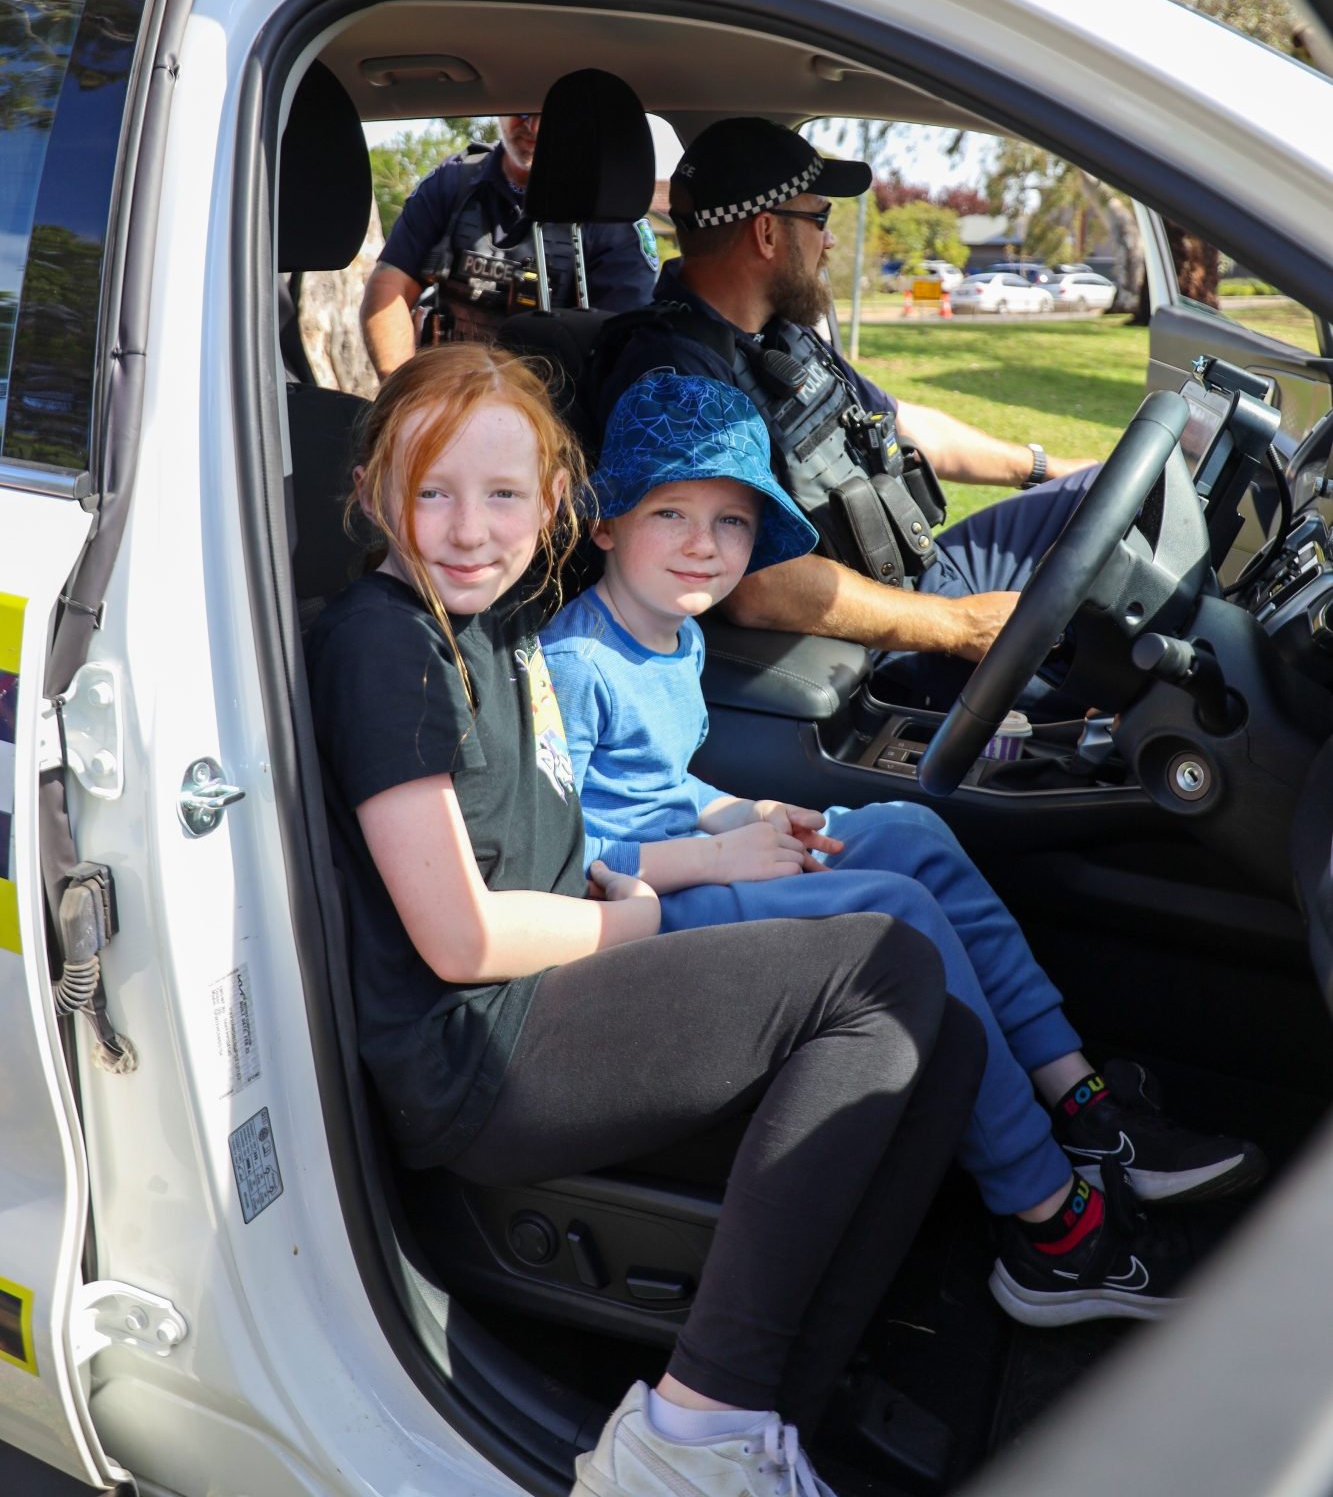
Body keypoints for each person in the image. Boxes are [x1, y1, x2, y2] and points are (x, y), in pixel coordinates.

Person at [303, 342, 987, 1497]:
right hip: (479, 1045)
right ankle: (689, 1430)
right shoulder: (389, 644)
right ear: (375, 493)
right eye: (431, 491)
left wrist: (645, 867)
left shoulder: (499, 617)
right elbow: (459, 938)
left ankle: (769, 1424)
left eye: (505, 493)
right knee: (879, 972)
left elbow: (560, 813)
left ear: (559, 502)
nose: (469, 527)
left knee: (944, 1042)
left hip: (554, 970)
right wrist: (638, 916)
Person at [543, 372, 1266, 1325]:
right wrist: (714, 858)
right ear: (605, 526)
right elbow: (566, 848)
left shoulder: (670, 638)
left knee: (914, 835)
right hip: (635, 912)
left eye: (729, 523)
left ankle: (1084, 1109)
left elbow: (662, 784)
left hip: (692, 856)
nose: (700, 545)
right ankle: (1053, 1229)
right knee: (898, 914)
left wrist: (744, 813)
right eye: (669, 512)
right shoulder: (574, 662)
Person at [588, 116, 1101, 705]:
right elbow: (759, 586)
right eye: (820, 219)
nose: (829, 241)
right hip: (871, 650)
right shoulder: (678, 380)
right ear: (766, 233)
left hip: (918, 579)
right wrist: (958, 625)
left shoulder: (777, 334)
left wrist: (1043, 467)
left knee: (1099, 492)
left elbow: (898, 422)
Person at [361, 109, 660, 376]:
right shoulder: (451, 182)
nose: (533, 127)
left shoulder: (611, 218)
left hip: (550, 414)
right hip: (444, 390)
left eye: (550, 117)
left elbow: (622, 348)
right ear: (499, 110)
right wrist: (400, 390)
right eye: (522, 110)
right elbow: (390, 286)